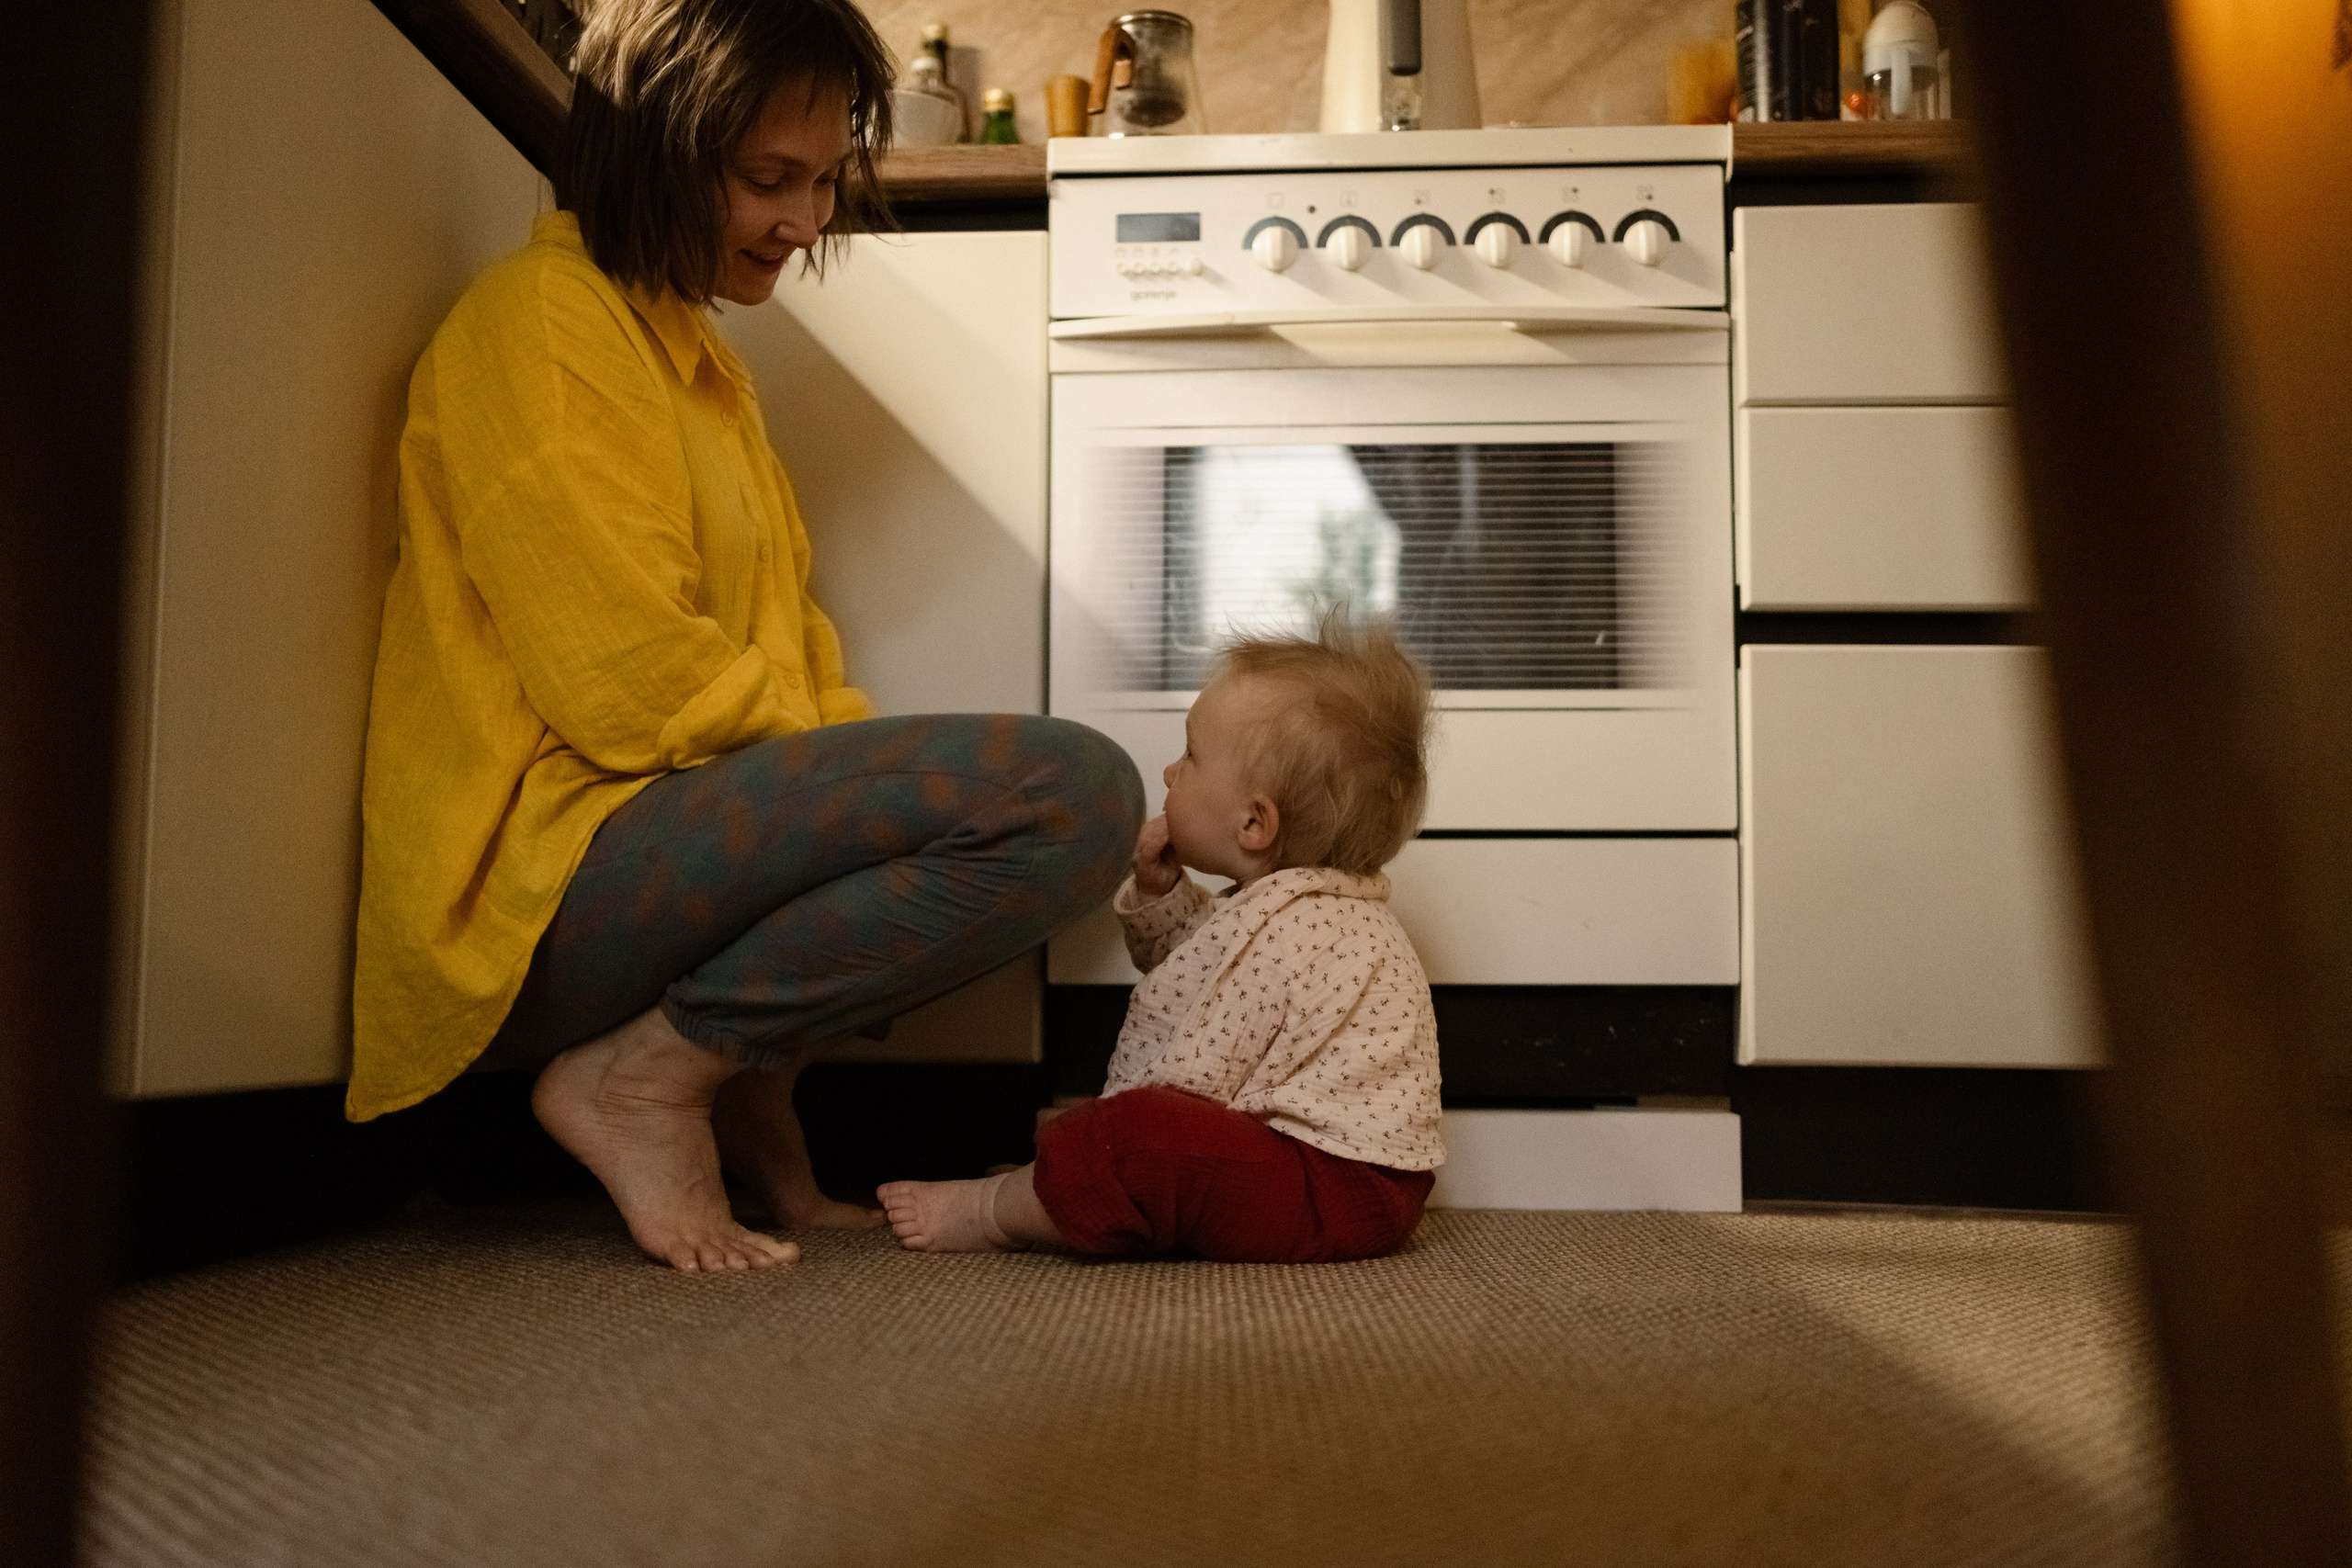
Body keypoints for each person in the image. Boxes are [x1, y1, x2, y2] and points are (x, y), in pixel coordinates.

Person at [349, 0, 1142, 1274]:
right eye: (770, 179)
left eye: (825, 181)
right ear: (655, 149)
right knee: (1069, 789)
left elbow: (791, 661)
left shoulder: (702, 371)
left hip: (632, 860)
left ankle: (734, 1088)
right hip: (537, 890)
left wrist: (860, 791)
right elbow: (629, 685)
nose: (808, 221)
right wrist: (877, 794)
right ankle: (643, 1080)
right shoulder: (546, 325)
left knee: (1008, 792)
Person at [880, 615, 1444, 1261]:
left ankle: (993, 1213)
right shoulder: (1300, 908)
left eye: (1192, 756)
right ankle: (1045, 1183)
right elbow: (1193, 968)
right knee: (1101, 1137)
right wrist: (1159, 895)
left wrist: (1093, 1145)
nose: (1172, 773)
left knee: (1133, 1141)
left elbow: (1189, 1081)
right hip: (1362, 1187)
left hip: (1328, 1187)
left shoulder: (1291, 935)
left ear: (1254, 821)